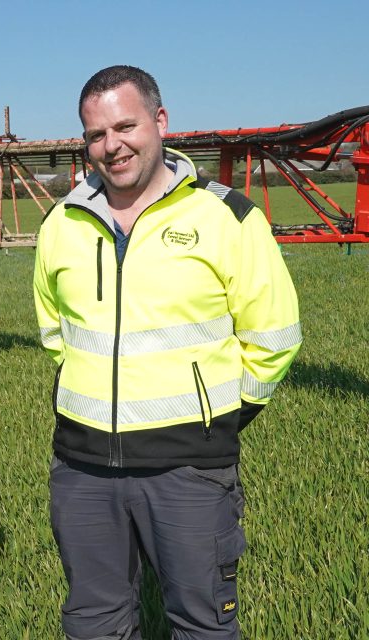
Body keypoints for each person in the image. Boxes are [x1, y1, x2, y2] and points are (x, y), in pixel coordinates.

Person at [33, 65, 303, 639]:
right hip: (82, 470)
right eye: (96, 135)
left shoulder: (226, 217)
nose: (112, 145)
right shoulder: (62, 223)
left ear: (160, 121)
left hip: (189, 469)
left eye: (125, 126)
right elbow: (56, 333)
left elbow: (274, 336)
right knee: (92, 624)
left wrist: (220, 416)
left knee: (201, 625)